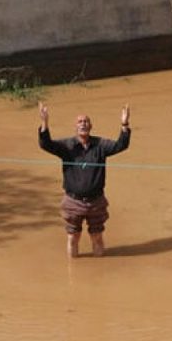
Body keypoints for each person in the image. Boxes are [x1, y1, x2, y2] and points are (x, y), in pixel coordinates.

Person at [38, 102, 130, 258]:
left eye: (86, 121)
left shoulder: (100, 145)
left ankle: (100, 272)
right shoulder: (67, 146)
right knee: (73, 238)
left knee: (97, 237)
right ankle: (72, 272)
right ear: (75, 127)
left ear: (91, 126)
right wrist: (44, 122)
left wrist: (124, 123)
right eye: (80, 122)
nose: (83, 124)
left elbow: (121, 145)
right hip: (73, 201)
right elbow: (46, 144)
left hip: (96, 202)